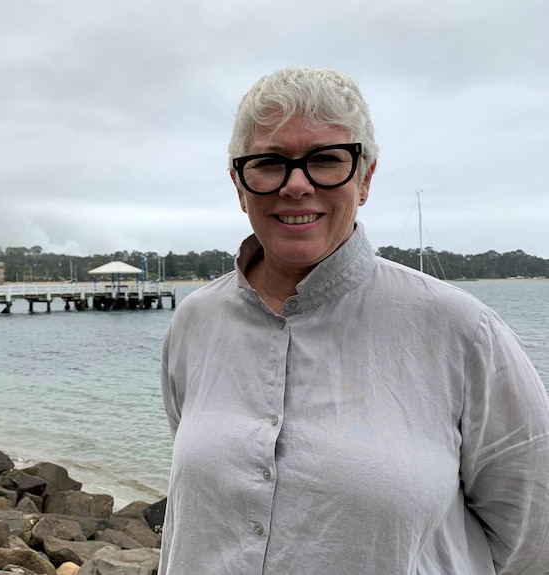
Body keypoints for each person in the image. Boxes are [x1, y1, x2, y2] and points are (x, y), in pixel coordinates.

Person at [159, 67, 549, 574]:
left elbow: (534, 537)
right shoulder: (196, 322)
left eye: (325, 159)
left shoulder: (462, 331)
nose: (296, 185)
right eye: (269, 162)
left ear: (364, 177)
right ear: (238, 182)